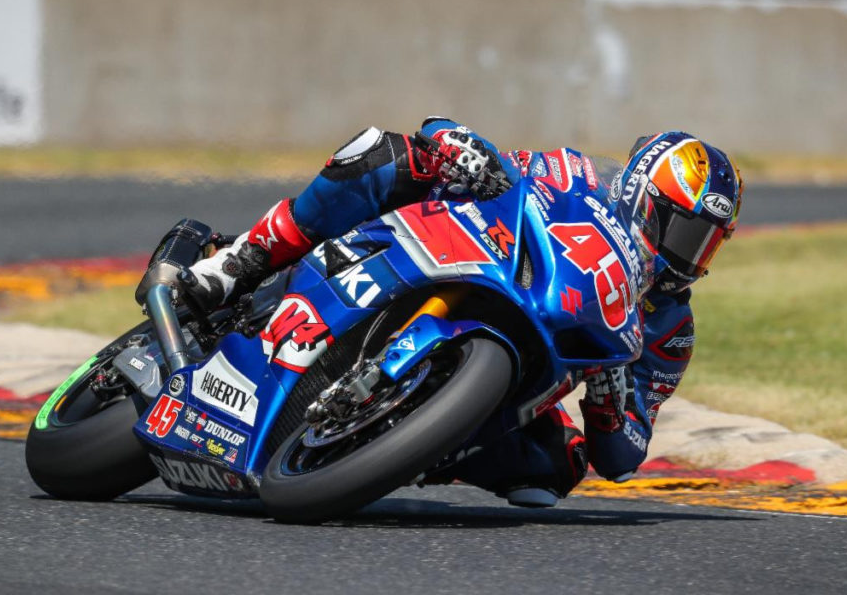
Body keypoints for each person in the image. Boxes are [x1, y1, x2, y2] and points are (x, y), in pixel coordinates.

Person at [182, 117, 744, 507]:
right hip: (461, 256)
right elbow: (463, 144)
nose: (689, 255)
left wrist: (611, 392)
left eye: (706, 244)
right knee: (384, 155)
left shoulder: (670, 329)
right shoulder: (573, 173)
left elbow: (623, 455)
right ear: (644, 195)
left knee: (557, 469)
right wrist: (464, 150)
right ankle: (242, 262)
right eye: (684, 231)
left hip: (523, 367)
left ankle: (404, 448)